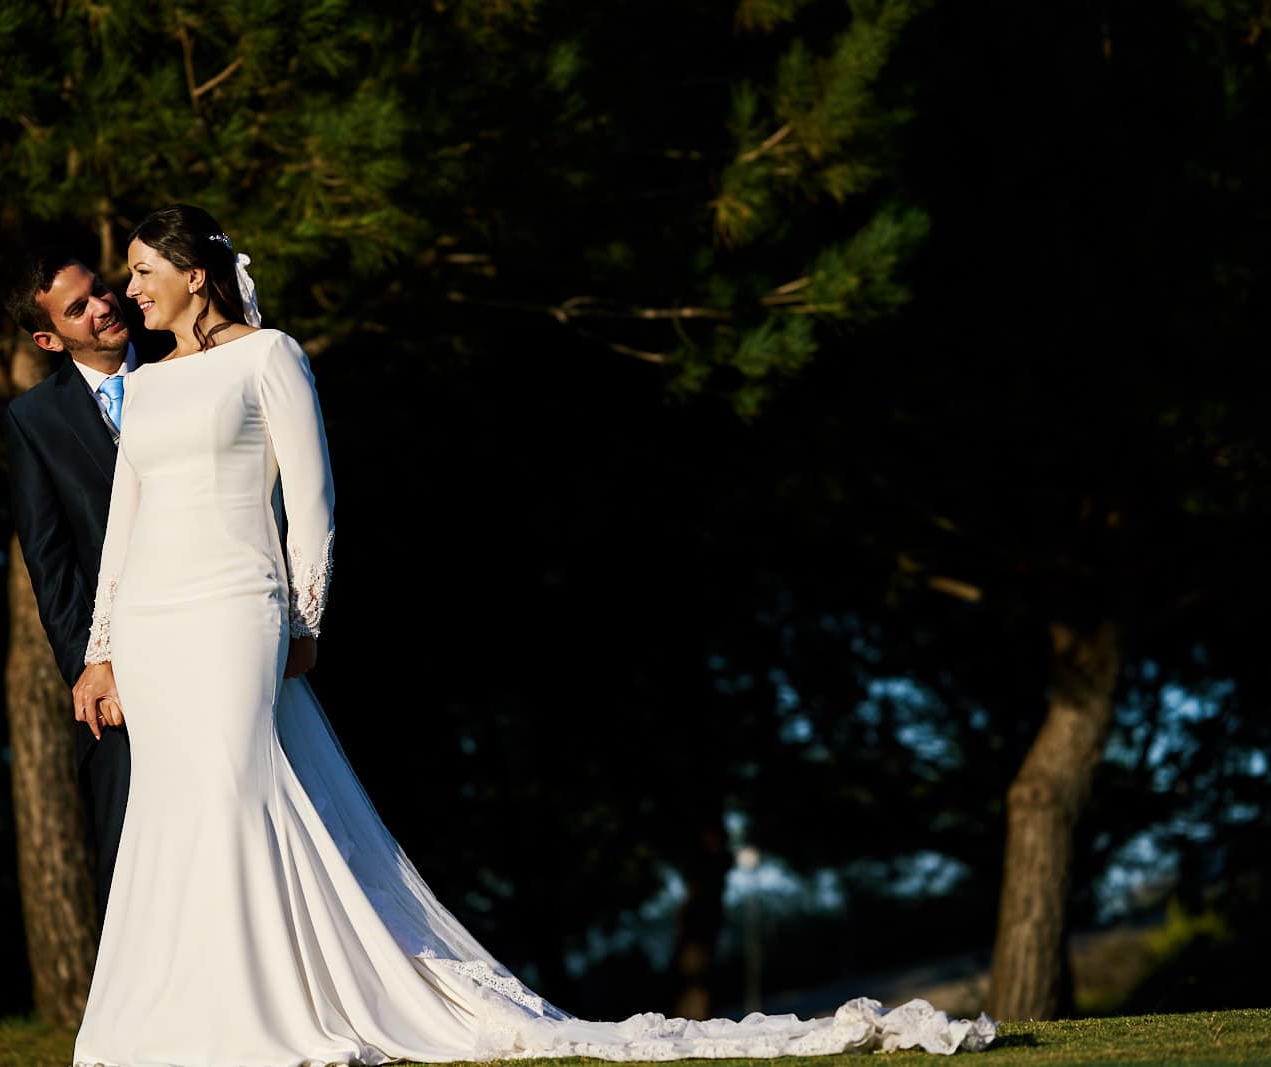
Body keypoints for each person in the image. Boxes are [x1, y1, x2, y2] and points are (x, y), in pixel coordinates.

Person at [70, 204, 996, 1067]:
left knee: (235, 791)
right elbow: (123, 525)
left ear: (195, 274)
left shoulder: (270, 355)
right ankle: (172, 1018)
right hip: (151, 622)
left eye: (145, 270)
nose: (131, 288)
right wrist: (101, 648)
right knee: (172, 806)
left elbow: (312, 499)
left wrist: (306, 616)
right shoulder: (142, 386)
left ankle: (265, 1008)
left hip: (236, 606)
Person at [2, 248, 161, 921]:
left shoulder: (182, 362)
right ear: (49, 339)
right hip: (120, 663)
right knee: (130, 851)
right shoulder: (34, 420)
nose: (103, 307)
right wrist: (93, 667)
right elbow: (52, 562)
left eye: (99, 289)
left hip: (219, 626)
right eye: (78, 308)